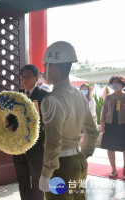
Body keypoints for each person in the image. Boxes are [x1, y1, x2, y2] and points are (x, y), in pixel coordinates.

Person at [38, 41, 99, 200]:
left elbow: (53, 141)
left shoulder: (51, 100)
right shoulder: (79, 95)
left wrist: (46, 173)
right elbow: (93, 131)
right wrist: (83, 154)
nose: (44, 71)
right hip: (79, 162)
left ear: (53, 68)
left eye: (45, 66)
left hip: (60, 167)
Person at [13, 65, 49, 200]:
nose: (24, 79)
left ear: (37, 77)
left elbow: (47, 121)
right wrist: (9, 122)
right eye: (22, 76)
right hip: (19, 145)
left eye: (28, 76)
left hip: (37, 146)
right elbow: (12, 116)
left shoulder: (44, 95)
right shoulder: (18, 95)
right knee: (22, 180)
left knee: (37, 180)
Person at [100, 75, 125, 179]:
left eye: (117, 83)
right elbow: (104, 110)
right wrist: (102, 123)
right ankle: (114, 170)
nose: (115, 85)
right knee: (110, 148)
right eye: (113, 83)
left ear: (122, 84)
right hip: (110, 125)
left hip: (123, 125)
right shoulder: (108, 97)